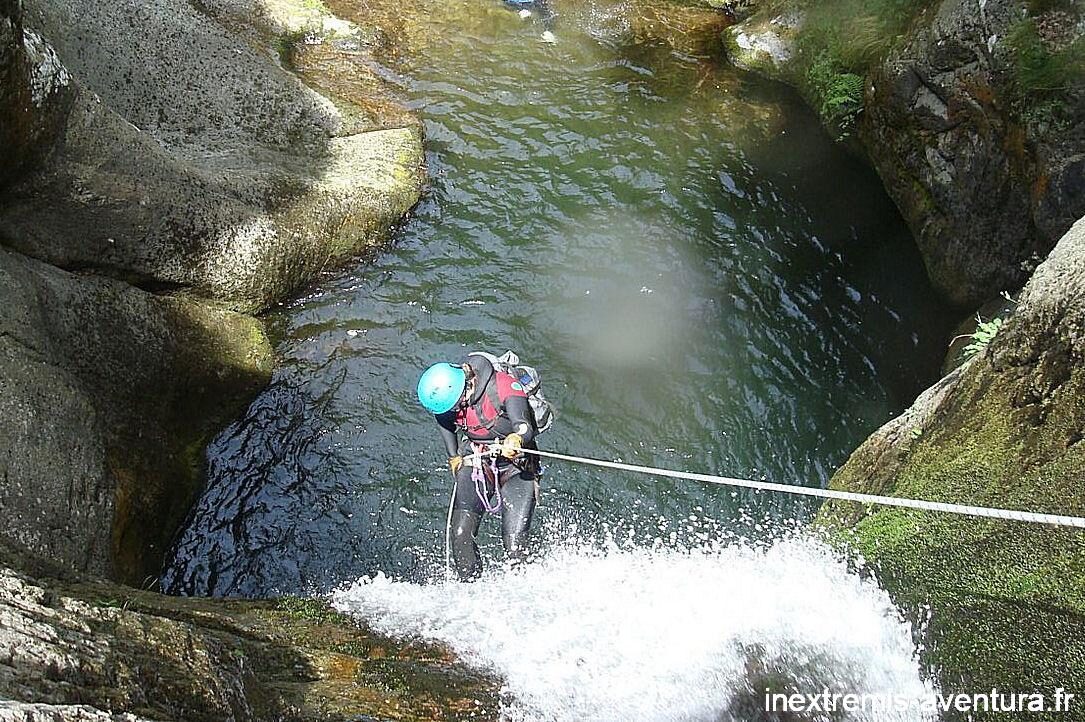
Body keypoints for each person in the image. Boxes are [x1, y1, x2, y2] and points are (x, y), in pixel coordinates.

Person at [417, 354, 541, 580]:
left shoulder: (503, 385)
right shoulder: (449, 400)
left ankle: (525, 587)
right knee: (460, 533)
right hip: (477, 460)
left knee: (514, 544)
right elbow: (444, 422)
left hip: (517, 466)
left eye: (455, 405)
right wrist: (453, 456)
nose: (453, 411)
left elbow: (525, 427)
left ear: (463, 389)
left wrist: (516, 439)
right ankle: (471, 587)